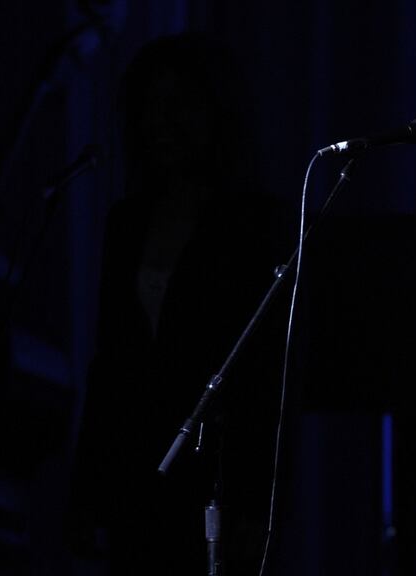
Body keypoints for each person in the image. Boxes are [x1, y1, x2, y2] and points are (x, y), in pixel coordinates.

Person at [65, 33, 287, 575]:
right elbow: (110, 362)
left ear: (213, 114)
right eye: (149, 107)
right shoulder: (127, 222)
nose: (161, 123)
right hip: (134, 467)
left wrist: (258, 504)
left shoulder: (254, 225)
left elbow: (265, 376)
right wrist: (86, 491)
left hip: (214, 471)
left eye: (179, 105)